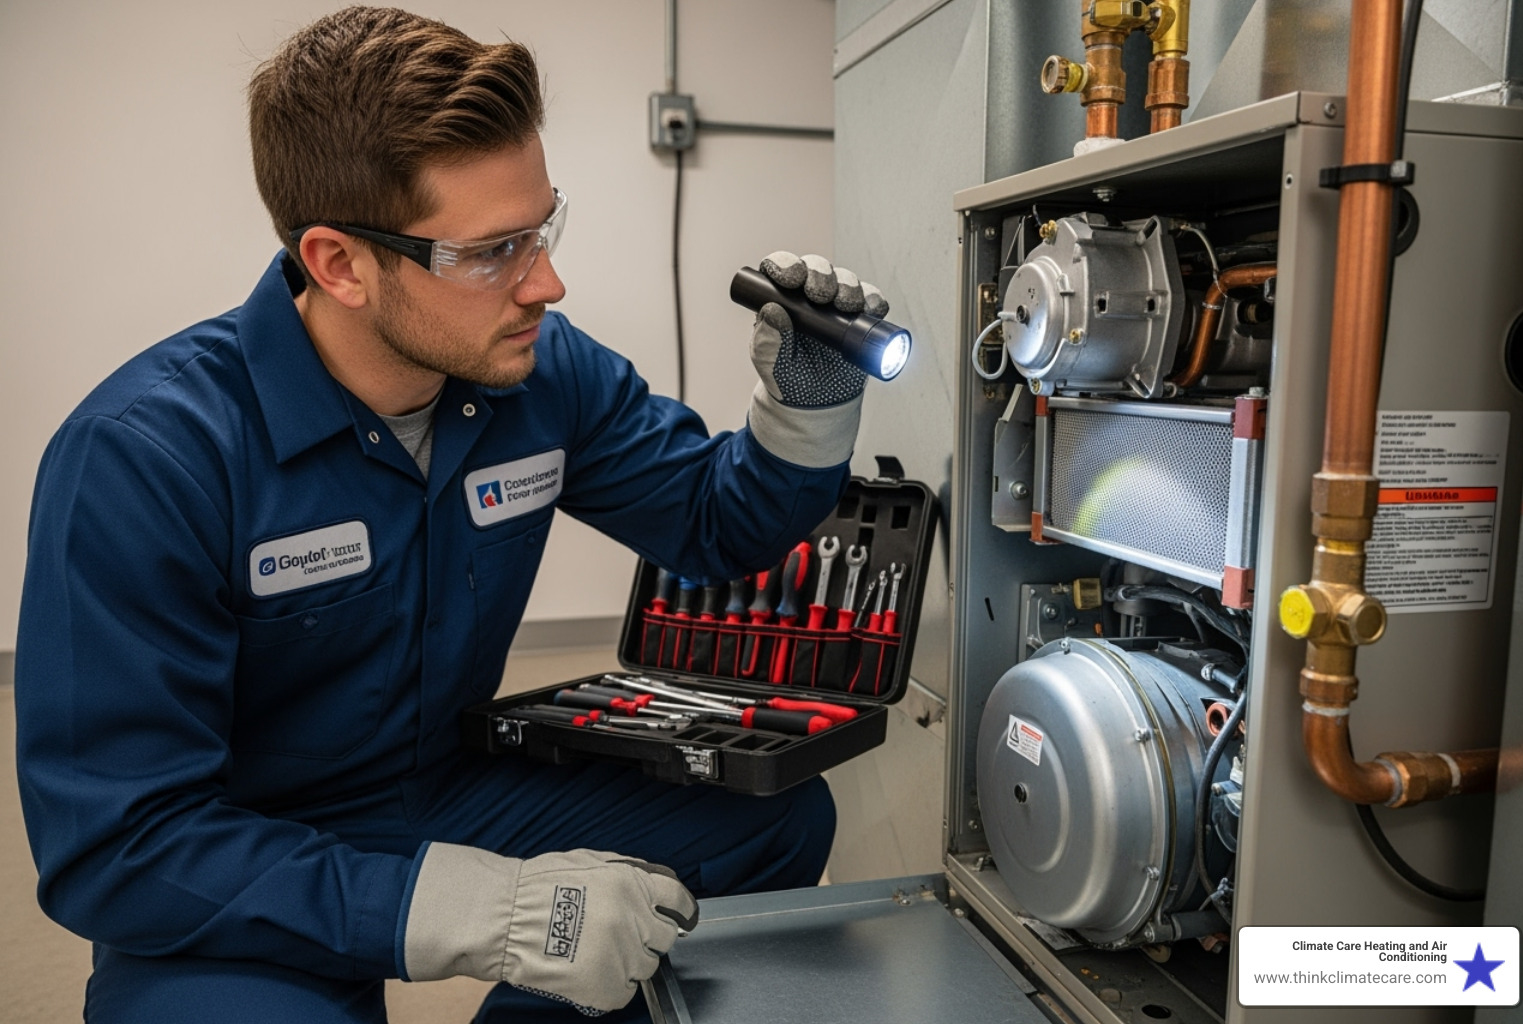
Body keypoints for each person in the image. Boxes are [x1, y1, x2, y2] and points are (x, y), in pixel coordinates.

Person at [14, 7, 891, 1023]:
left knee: (772, 820)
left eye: (544, 228)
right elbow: (118, 846)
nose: (548, 283)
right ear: (339, 262)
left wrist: (806, 405)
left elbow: (715, 526)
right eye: (493, 252)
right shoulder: (146, 456)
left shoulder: (542, 378)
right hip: (238, 851)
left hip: (445, 786)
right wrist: (481, 909)